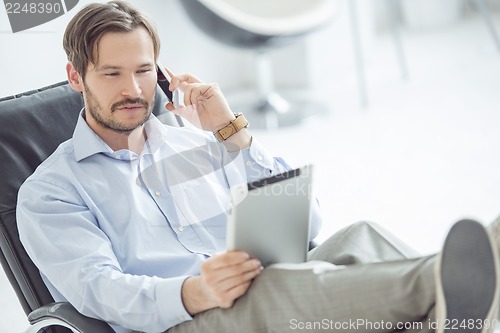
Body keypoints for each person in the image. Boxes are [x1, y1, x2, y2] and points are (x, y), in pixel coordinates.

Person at [16, 1, 499, 333]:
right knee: (281, 286)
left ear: (160, 72)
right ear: (76, 77)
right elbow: (99, 288)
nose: (135, 90)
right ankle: (459, 281)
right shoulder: (52, 191)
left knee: (360, 235)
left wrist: (232, 133)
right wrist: (195, 291)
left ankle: (457, 305)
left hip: (261, 292)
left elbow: (307, 226)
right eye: (113, 73)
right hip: (181, 322)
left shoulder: (195, 143)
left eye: (144, 71)